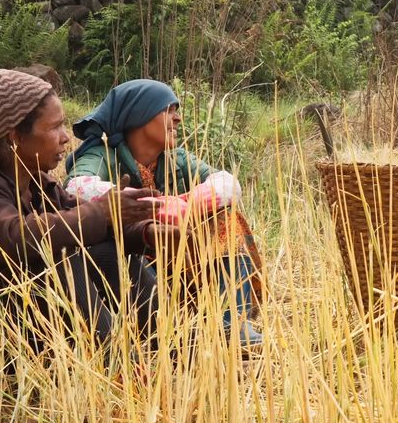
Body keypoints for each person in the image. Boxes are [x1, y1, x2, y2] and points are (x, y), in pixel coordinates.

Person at [0, 68, 163, 385]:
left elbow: (78, 218)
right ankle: (123, 374)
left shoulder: (39, 185)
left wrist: (145, 231)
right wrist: (103, 212)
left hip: (25, 333)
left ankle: (166, 353)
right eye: (54, 127)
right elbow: (15, 237)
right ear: (14, 137)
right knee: (65, 261)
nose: (66, 136)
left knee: (112, 253)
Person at [65, 78, 265, 348]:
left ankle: (231, 323)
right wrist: (156, 207)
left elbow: (228, 183)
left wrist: (192, 202)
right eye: (168, 110)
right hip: (129, 267)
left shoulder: (177, 160)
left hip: (178, 262)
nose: (178, 119)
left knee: (224, 218)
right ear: (139, 115)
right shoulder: (103, 155)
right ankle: (154, 325)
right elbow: (77, 187)